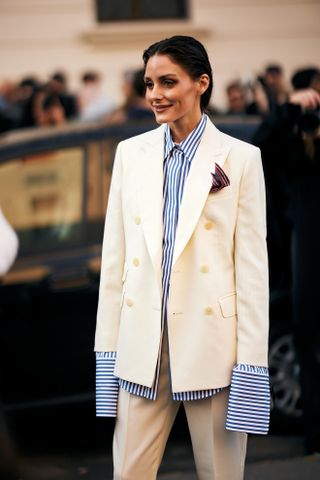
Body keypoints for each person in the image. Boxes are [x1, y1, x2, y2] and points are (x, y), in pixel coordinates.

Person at [94, 35, 270, 480]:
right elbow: (114, 265)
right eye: (149, 83)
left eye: (168, 82)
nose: (155, 95)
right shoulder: (130, 154)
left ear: (201, 83)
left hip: (214, 349)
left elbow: (252, 273)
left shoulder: (241, 159)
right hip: (142, 348)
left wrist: (251, 362)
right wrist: (107, 354)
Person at [253, 67, 320, 455]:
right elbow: (261, 143)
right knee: (308, 339)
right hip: (306, 250)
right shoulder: (292, 151)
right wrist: (288, 110)